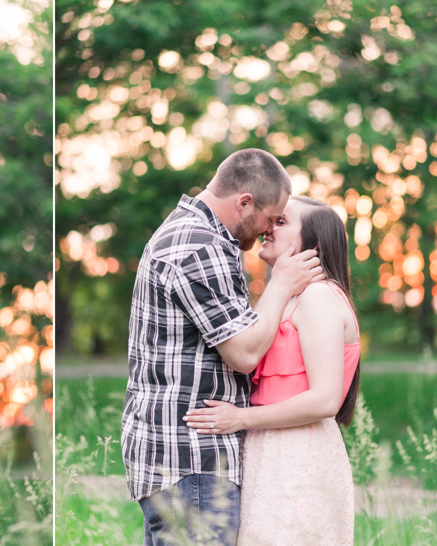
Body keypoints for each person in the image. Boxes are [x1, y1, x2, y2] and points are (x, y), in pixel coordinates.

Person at [120, 148, 325, 546]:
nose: (269, 230)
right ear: (245, 202)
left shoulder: (193, 235)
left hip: (181, 459)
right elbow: (245, 354)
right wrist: (281, 284)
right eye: (270, 218)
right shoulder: (200, 247)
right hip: (193, 459)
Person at [183, 196, 359, 545]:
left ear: (313, 244)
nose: (267, 228)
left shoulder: (319, 297)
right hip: (275, 448)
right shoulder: (292, 298)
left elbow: (325, 400)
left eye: (281, 223)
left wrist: (240, 418)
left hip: (299, 451)